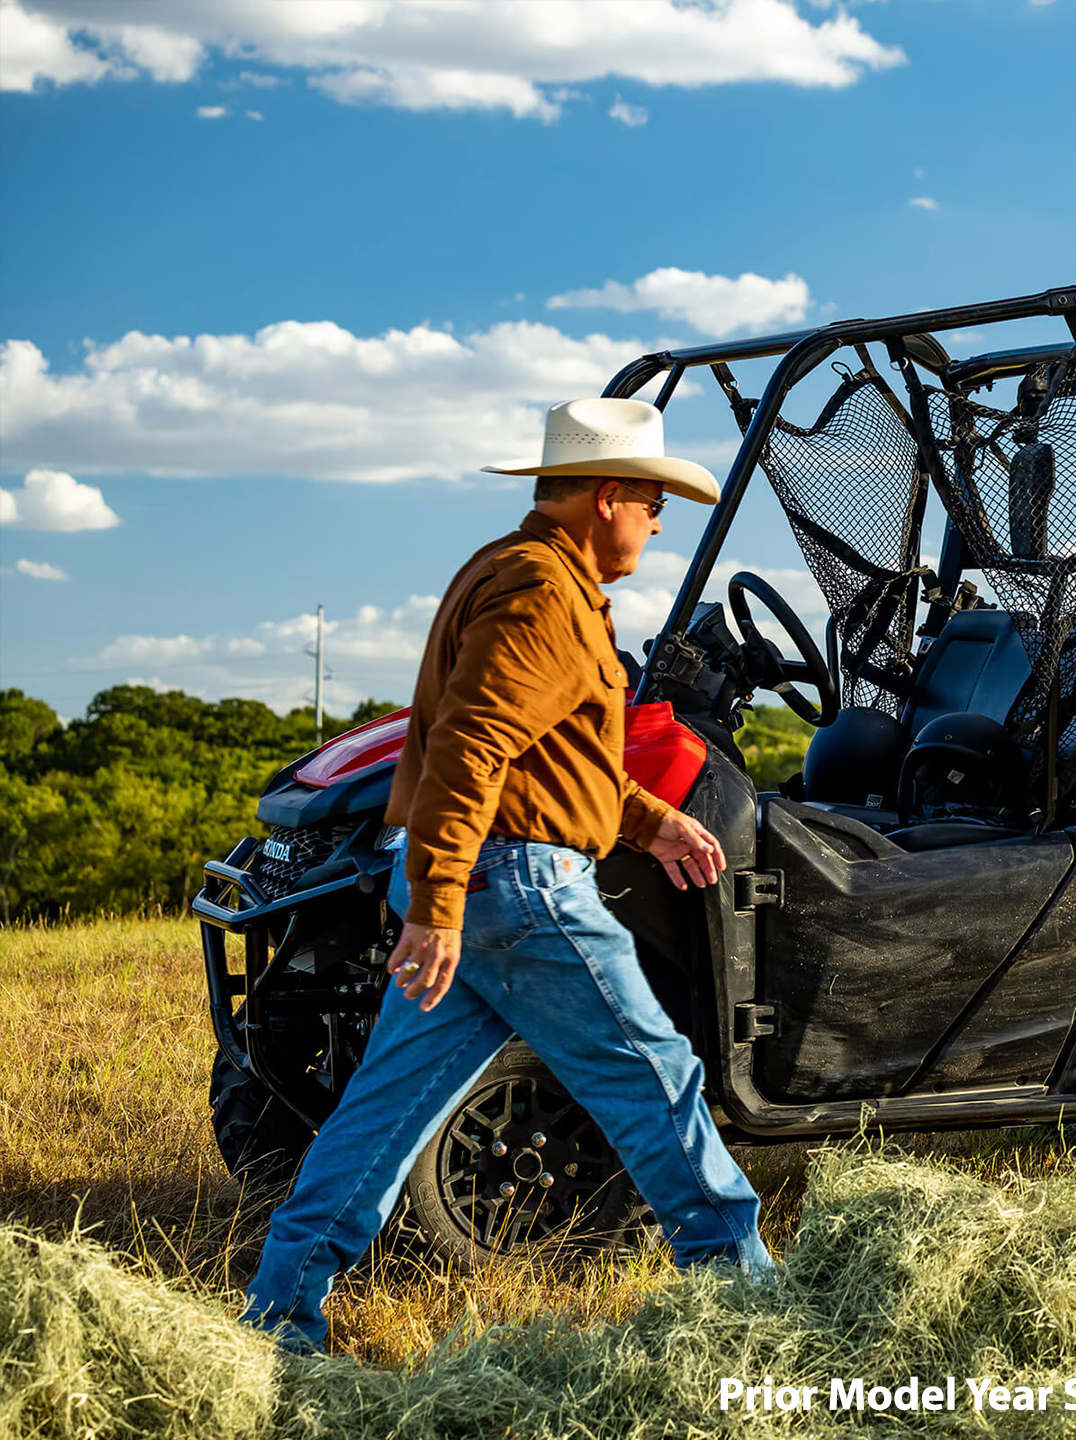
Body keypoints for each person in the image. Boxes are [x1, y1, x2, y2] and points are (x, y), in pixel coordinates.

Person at [243, 397, 772, 1352]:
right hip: (516, 889)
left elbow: (552, 757)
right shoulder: (541, 593)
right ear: (609, 496)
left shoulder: (516, 571)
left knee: (382, 1116)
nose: (659, 522)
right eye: (654, 501)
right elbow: (471, 751)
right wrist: (439, 908)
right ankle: (754, 1309)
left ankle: (279, 1314)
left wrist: (649, 821)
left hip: (478, 886)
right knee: (659, 1081)